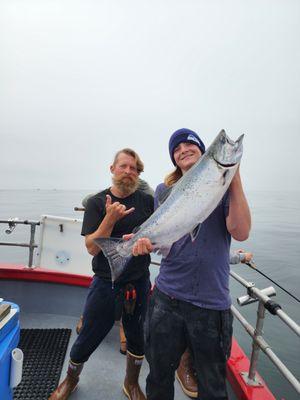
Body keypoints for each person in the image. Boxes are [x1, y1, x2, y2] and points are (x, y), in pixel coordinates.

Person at [129, 128, 251, 400]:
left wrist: (234, 177)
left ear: (203, 151)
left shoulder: (224, 187)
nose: (183, 149)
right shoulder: (163, 190)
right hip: (166, 298)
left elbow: (241, 232)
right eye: (177, 148)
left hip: (211, 303)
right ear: (174, 158)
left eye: (190, 144)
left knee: (212, 385)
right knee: (159, 374)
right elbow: (163, 238)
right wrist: (141, 243)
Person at [49, 148, 154, 400]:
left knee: (137, 338)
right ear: (112, 169)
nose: (129, 172)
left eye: (134, 169)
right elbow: (92, 248)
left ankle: (131, 384)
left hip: (138, 282)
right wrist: (109, 218)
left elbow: (157, 235)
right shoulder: (97, 203)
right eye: (124, 166)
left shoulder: (147, 202)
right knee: (88, 336)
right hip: (106, 283)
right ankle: (70, 381)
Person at [176, 250, 253, 399]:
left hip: (200, 292)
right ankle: (184, 367)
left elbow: (214, 249)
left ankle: (189, 367)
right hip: (197, 293)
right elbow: (209, 253)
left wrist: (235, 254)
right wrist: (241, 257)